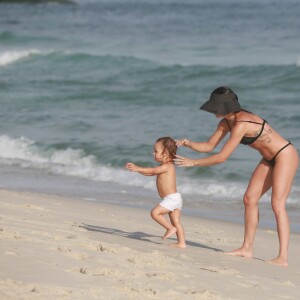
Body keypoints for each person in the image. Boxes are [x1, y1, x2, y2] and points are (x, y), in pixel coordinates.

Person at [175, 86, 298, 266]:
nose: (213, 111)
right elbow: (209, 146)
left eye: (216, 107)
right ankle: (247, 248)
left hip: (285, 155)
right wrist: (189, 143)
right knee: (249, 199)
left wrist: (193, 163)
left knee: (277, 204)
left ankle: (283, 257)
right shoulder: (226, 122)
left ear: (225, 107)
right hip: (269, 158)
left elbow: (222, 157)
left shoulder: (242, 123)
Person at [125, 137, 186, 248]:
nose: (153, 153)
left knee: (155, 213)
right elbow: (151, 173)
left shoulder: (167, 166)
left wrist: (138, 168)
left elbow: (153, 171)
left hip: (171, 199)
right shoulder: (163, 166)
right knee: (176, 221)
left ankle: (169, 228)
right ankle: (181, 243)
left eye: (156, 151)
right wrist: (137, 170)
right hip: (175, 198)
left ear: (165, 153)